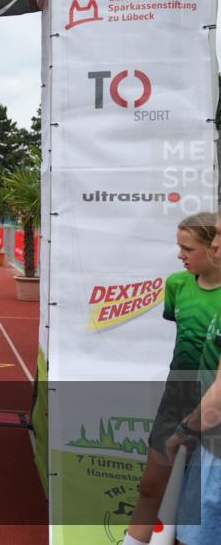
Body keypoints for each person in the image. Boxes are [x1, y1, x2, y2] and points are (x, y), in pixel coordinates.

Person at [124, 213, 221, 545]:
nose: (180, 255)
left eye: (187, 248)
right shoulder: (177, 285)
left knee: (199, 506)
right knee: (151, 486)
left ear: (213, 248)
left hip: (212, 409)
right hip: (175, 399)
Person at [167, 214, 221, 545]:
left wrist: (187, 429)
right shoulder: (177, 286)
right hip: (200, 419)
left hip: (210, 430)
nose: (216, 243)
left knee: (193, 533)